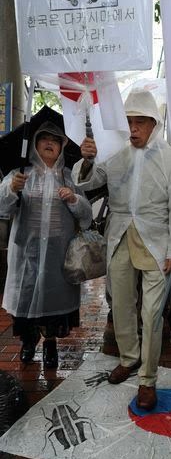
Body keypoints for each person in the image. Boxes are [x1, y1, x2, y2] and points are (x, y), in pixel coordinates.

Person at [72, 89, 171, 410]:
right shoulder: (118, 156)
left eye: (140, 122)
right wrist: (87, 159)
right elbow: (89, 180)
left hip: (157, 242)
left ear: (154, 123)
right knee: (121, 303)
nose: (134, 128)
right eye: (129, 122)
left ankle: (147, 379)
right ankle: (128, 358)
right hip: (120, 237)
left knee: (151, 314)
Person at [0, 122, 92, 368]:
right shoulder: (20, 174)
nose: (49, 143)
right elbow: (2, 208)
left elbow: (86, 216)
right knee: (25, 298)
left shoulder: (69, 177)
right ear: (35, 144)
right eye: (44, 138)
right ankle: (28, 342)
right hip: (25, 253)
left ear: (62, 146)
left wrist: (73, 199)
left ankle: (50, 343)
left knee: (54, 301)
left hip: (57, 253)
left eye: (55, 139)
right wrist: (11, 189)